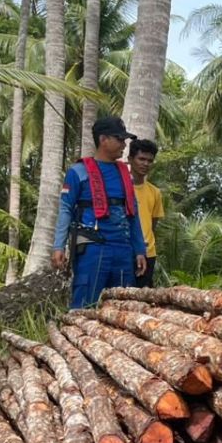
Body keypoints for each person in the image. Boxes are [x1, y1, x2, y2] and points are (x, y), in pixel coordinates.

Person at [52, 116, 147, 308]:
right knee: (85, 306)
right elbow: (66, 209)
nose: (124, 144)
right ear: (103, 139)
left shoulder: (125, 175)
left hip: (123, 250)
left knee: (123, 308)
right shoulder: (78, 171)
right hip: (92, 249)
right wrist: (58, 246)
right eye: (120, 139)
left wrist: (139, 250)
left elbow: (133, 214)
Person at [129, 139, 164, 287]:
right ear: (130, 159)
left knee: (143, 295)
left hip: (148, 253)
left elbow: (153, 225)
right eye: (141, 159)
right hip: (125, 251)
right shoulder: (120, 189)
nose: (145, 164)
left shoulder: (155, 192)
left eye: (150, 160)